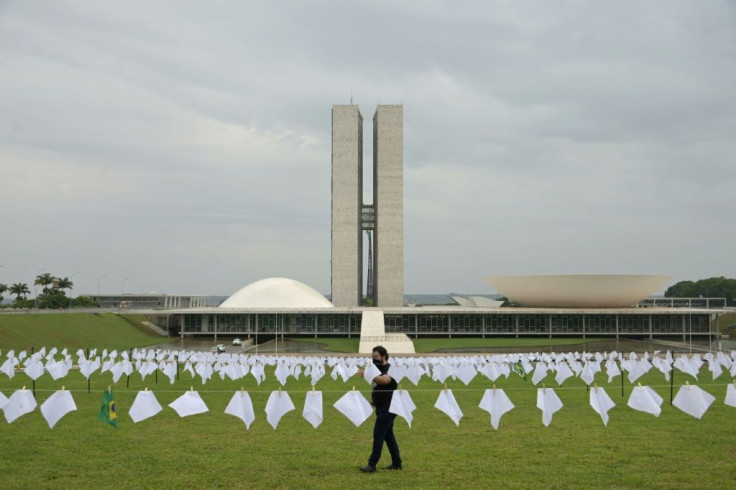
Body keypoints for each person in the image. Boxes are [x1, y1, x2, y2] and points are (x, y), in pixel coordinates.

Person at [357, 345, 402, 473]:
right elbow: (378, 388)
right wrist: (373, 402)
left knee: (378, 434)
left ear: (383, 356)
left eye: (376, 357)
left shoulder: (390, 368)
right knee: (388, 435)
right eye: (373, 357)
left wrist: (368, 375)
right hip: (381, 407)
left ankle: (372, 465)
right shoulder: (377, 369)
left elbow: (384, 381)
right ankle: (397, 463)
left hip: (389, 407)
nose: (374, 359)